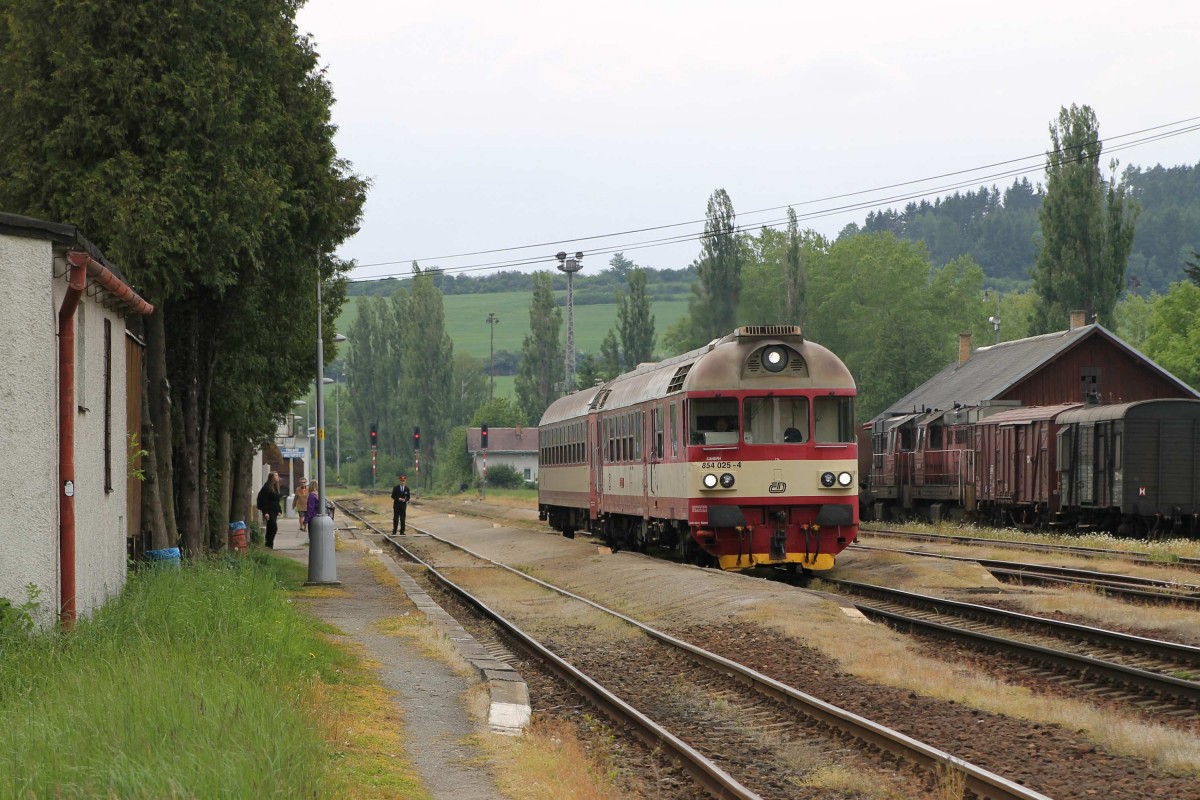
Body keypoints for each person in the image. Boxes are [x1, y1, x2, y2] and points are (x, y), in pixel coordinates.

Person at [256, 472, 283, 548]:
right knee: (273, 526)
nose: (278, 477)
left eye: (278, 475)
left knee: (271, 527)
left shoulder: (275, 487)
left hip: (274, 510)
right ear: (272, 477)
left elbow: (276, 500)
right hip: (269, 510)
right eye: (276, 475)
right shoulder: (267, 487)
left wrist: (279, 510)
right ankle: (269, 543)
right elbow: (264, 500)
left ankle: (269, 544)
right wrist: (265, 512)